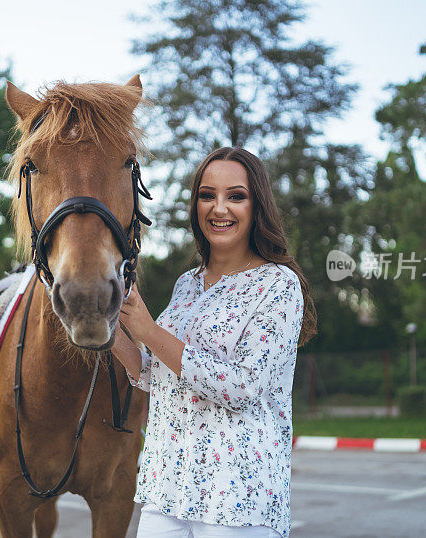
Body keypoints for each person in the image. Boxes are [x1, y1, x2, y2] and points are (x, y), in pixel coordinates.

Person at [112, 147, 317, 538]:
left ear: (257, 206)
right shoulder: (187, 283)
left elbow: (242, 387)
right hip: (167, 488)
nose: (218, 208)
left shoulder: (278, 285)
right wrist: (108, 328)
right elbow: (159, 375)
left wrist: (149, 331)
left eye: (235, 196)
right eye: (207, 195)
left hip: (237, 498)